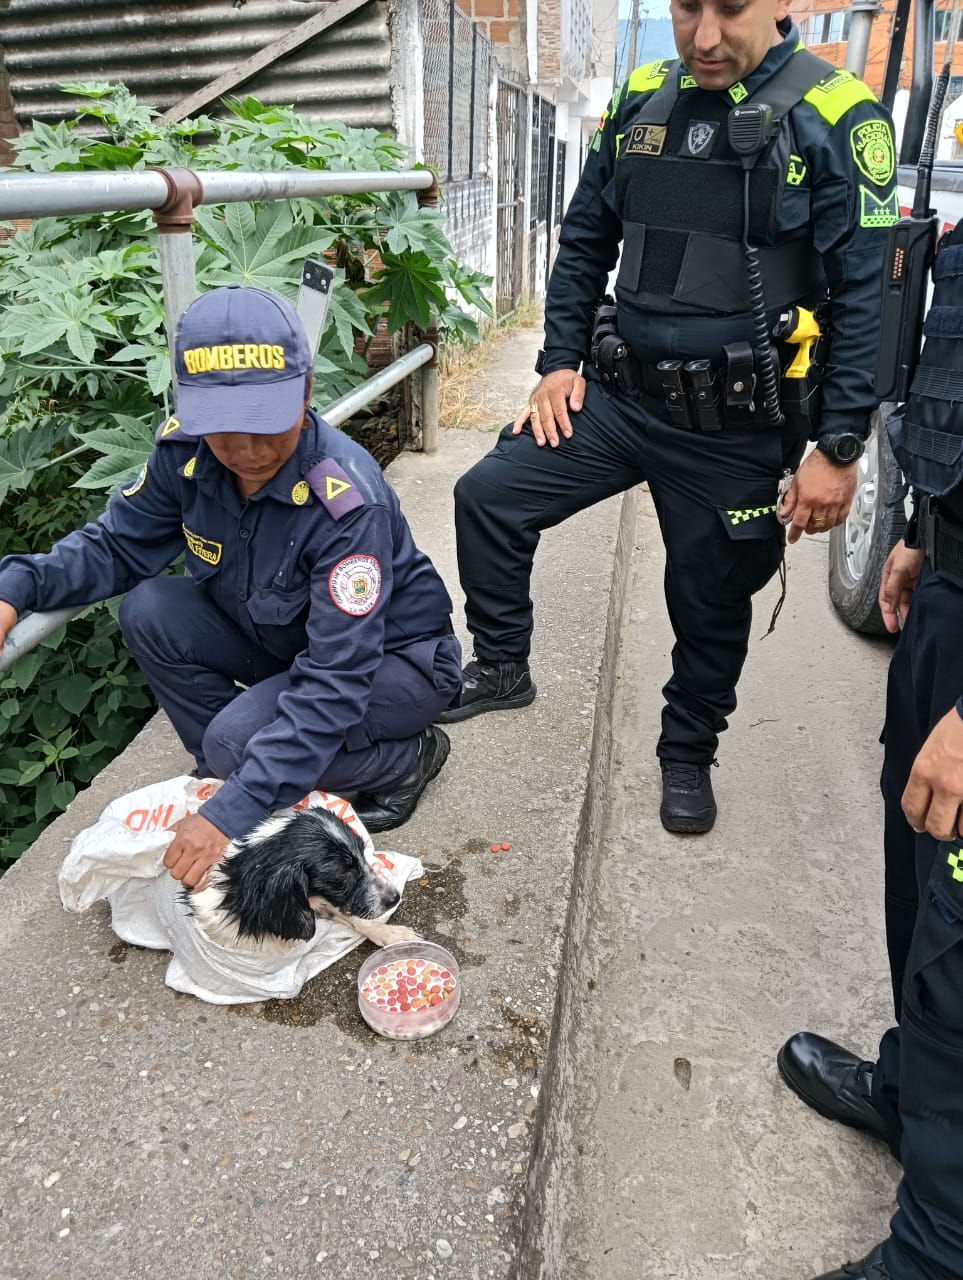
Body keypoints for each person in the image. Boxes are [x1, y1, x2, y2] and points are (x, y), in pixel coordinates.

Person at [439, 0, 898, 835]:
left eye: (731, 10)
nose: (705, 36)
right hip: (617, 401)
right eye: (687, 8)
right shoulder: (643, 94)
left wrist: (837, 447)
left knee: (711, 596)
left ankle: (685, 751)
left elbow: (867, 296)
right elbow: (584, 240)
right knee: (488, 498)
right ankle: (502, 667)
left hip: (734, 427)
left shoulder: (837, 114)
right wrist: (558, 364)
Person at [0, 285, 461, 888]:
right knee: (150, 607)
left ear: (306, 393)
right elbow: (116, 546)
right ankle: (238, 771)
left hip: (390, 664)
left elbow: (336, 679)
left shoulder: (346, 502)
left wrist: (229, 813)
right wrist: (15, 588)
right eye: (223, 428)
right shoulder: (185, 453)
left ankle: (405, 760)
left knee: (239, 745)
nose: (246, 451)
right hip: (285, 640)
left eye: (265, 424)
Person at [777, 219, 963, 1279]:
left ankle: (939, 1247)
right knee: (915, 870)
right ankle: (913, 1095)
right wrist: (925, 531)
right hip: (950, 576)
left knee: (959, 932)